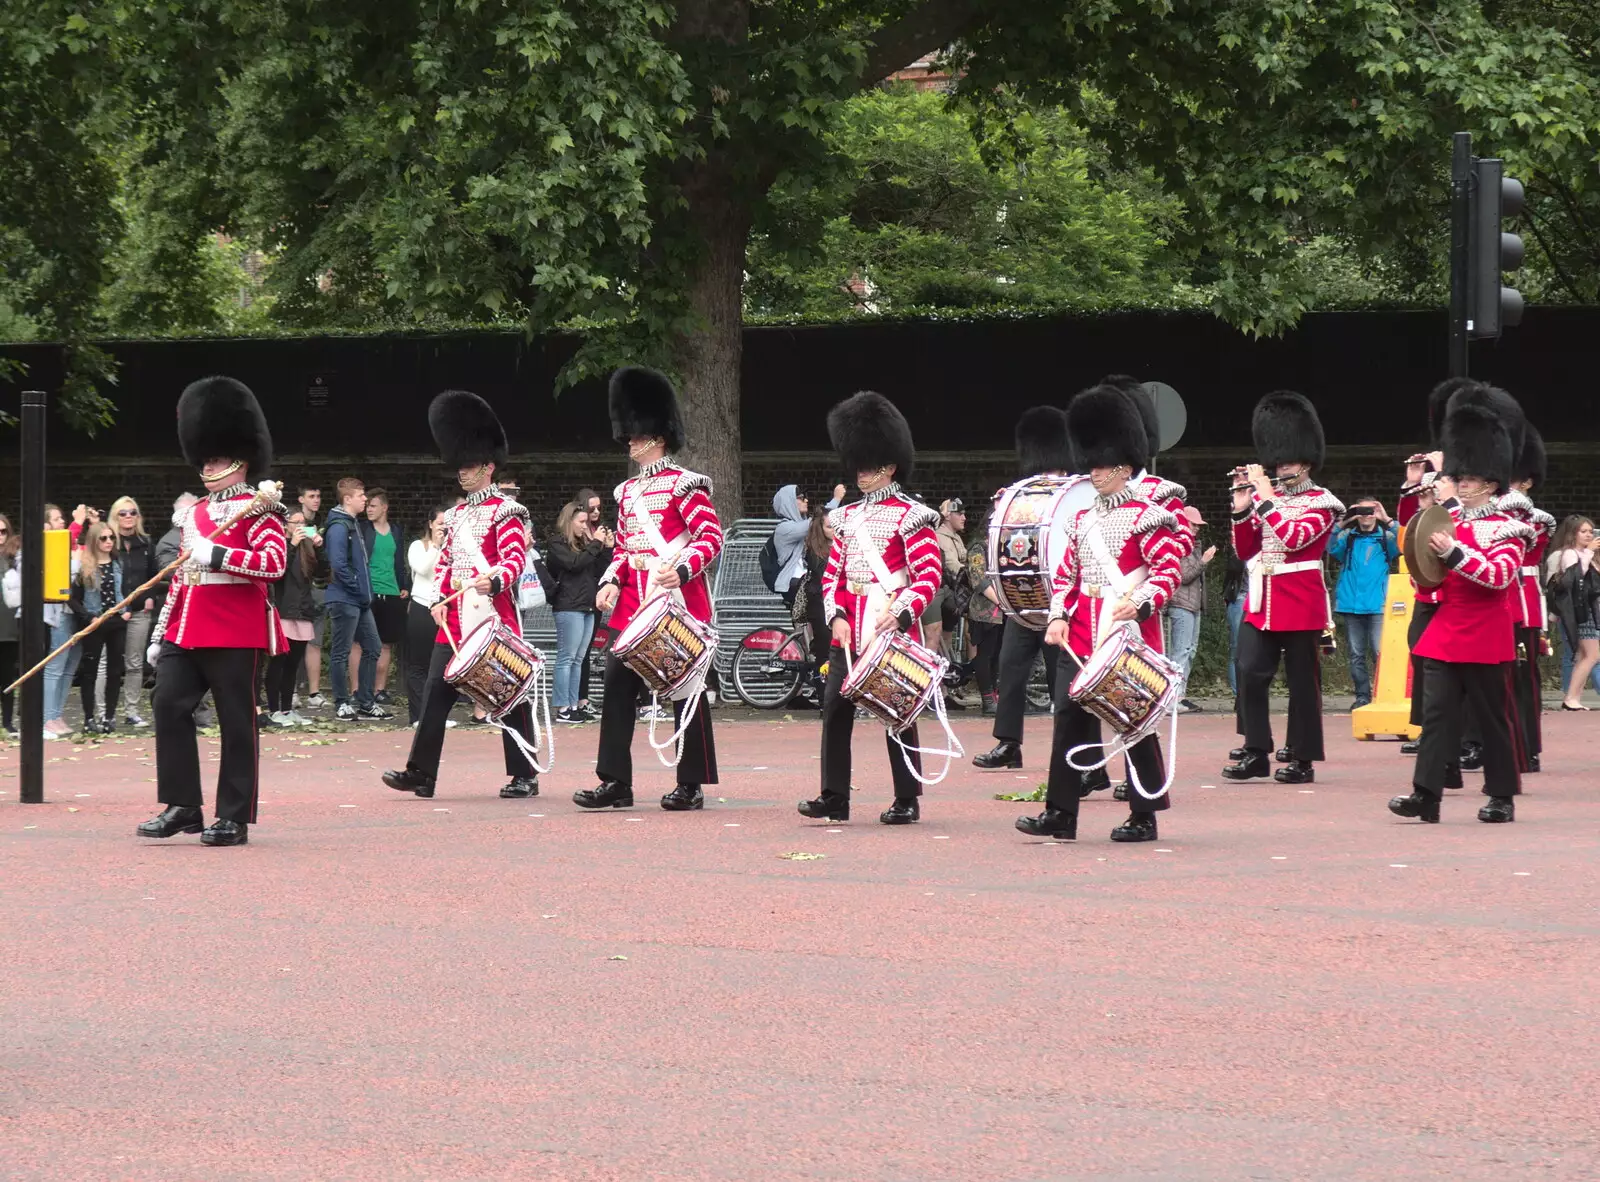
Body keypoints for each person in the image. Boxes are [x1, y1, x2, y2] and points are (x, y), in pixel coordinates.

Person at [1015, 385, 1183, 843]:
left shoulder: (1147, 515)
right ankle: (1060, 811)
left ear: (1123, 467)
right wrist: (1057, 616)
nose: (1093, 472)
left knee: (1132, 716)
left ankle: (1144, 813)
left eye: (1101, 465)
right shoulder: (1080, 518)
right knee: (1067, 713)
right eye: (1090, 463)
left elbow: (1168, 569)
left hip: (1126, 627)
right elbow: (1067, 576)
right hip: (1083, 629)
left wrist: (1142, 601)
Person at [138, 376, 288, 847]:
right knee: (168, 706)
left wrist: (219, 556)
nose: (209, 463)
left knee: (236, 722)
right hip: (187, 626)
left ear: (241, 460)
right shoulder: (196, 513)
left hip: (235, 629)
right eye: (205, 457)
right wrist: (161, 635)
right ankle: (183, 804)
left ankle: (233, 815)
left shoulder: (262, 509)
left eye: (218, 457)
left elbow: (274, 565)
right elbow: (182, 581)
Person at [575, 367, 722, 812]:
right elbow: (624, 548)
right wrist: (610, 581)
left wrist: (681, 569)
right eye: (628, 436)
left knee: (685, 689)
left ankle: (690, 783)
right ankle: (616, 780)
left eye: (636, 436)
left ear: (656, 435)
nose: (630, 442)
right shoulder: (627, 492)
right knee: (616, 683)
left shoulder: (685, 485)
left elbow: (711, 537)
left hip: (677, 600)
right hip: (635, 603)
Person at [382, 390, 541, 800]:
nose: (462, 473)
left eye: (469, 466)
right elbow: (446, 562)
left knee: (505, 694)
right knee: (436, 693)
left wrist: (494, 580)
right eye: (460, 466)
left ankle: (524, 773)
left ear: (488, 467)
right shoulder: (454, 516)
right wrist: (436, 598)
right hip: (453, 619)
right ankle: (421, 772)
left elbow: (514, 560)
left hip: (491, 614)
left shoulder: (509, 511)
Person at [797, 390, 940, 825]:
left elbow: (929, 576)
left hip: (888, 624)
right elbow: (832, 575)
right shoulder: (847, 517)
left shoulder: (912, 516)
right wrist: (835, 615)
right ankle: (834, 795)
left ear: (890, 466)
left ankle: (906, 797)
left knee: (898, 711)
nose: (861, 473)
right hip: (850, 628)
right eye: (858, 464)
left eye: (870, 465)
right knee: (835, 710)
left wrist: (900, 614)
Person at [1390, 384, 1530, 825]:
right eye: (1459, 475)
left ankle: (1501, 796)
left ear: (1490, 482)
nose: (1460, 482)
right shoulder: (1449, 519)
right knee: (1436, 718)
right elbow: (1427, 573)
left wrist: (1454, 554)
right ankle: (1426, 793)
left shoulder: (1509, 527)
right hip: (1447, 628)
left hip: (1487, 632)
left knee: (1492, 720)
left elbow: (1499, 577)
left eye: (1466, 478)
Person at [1224, 392, 1343, 785]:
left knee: (1302, 684)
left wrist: (1266, 498)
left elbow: (1293, 538)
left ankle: (1303, 757)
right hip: (1263, 599)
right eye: (1278, 461)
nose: (1281, 466)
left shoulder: (1323, 504)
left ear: (1306, 463)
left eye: (1288, 461)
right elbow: (1246, 549)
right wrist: (1243, 506)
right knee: (1249, 670)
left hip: (1301, 600)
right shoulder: (1263, 498)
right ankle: (1257, 749)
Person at [973, 406, 1078, 771]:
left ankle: (1075, 751)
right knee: (1011, 669)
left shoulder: (1077, 497)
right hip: (1022, 600)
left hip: (1061, 605)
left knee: (1063, 679)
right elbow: (987, 548)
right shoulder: (1016, 496)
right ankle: (1008, 744)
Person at [1498, 427, 1554, 770]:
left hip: (1523, 602)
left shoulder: (1533, 518)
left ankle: (1528, 746)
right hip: (1497, 600)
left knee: (1523, 679)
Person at [323, 477, 389, 722]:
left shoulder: (351, 523)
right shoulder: (340, 526)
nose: (365, 499)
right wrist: (359, 589)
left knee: (373, 647)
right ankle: (342, 702)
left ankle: (365, 702)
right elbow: (339, 565)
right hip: (345, 598)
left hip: (358, 599)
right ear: (347, 499)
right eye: (361, 496)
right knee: (341, 652)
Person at [1328, 496, 1400, 710]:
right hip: (1351, 604)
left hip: (1378, 604)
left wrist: (1386, 518)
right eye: (1363, 510)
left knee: (1380, 652)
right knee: (1356, 654)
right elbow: (1327, 545)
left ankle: (1383, 695)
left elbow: (1407, 540)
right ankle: (1362, 697)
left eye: (1371, 510)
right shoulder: (1348, 537)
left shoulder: (1386, 538)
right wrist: (1345, 520)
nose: (1367, 515)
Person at [546, 501, 611, 723]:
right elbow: (574, 564)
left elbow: (598, 570)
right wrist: (595, 545)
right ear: (569, 521)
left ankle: (573, 704)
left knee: (578, 658)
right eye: (581, 522)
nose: (585, 526)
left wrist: (607, 548)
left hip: (587, 605)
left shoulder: (587, 544)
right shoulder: (557, 543)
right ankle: (562, 706)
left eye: (586, 522)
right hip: (568, 605)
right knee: (567, 657)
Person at [70, 522, 130, 733]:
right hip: (94, 621)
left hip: (116, 620)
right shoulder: (84, 566)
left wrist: (127, 609)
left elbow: (126, 588)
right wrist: (88, 617)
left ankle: (110, 717)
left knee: (115, 670)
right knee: (90, 670)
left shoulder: (117, 562)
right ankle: (88, 718)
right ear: (94, 541)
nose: (108, 542)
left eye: (111, 538)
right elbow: (73, 598)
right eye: (103, 538)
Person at [105, 496, 158, 726]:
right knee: (106, 662)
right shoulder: (107, 540)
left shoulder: (145, 543)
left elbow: (153, 574)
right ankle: (103, 712)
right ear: (115, 516)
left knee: (135, 662)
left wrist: (149, 597)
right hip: (112, 610)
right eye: (123, 513)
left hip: (138, 609)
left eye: (132, 512)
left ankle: (131, 711)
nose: (128, 517)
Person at [265, 511, 318, 727]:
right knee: (278, 662)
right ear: (286, 526)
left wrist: (319, 546)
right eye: (295, 523)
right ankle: (273, 710)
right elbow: (278, 572)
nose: (299, 526)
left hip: (303, 611)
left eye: (302, 523)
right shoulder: (280, 545)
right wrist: (293, 545)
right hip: (284, 610)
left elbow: (322, 572)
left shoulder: (308, 548)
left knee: (293, 665)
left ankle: (287, 709)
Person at [360, 487, 409, 704]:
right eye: (367, 505)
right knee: (363, 643)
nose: (368, 509)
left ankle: (380, 689)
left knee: (386, 643)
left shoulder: (396, 531)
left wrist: (404, 585)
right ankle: (360, 690)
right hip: (370, 592)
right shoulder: (363, 529)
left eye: (373, 506)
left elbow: (399, 561)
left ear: (384, 507)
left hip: (391, 591)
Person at [1546, 515, 1600, 711]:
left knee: (1582, 655)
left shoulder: (1582, 553)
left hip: (1584, 609)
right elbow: (1574, 580)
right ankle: (1571, 697)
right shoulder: (1570, 554)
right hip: (1579, 611)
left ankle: (1573, 697)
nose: (1588, 535)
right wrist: (1588, 554)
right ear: (1572, 533)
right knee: (1592, 655)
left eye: (1590, 532)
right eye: (1583, 531)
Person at [403, 504, 449, 726]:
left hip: (444, 609)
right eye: (439, 523)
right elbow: (421, 569)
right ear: (430, 524)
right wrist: (436, 547)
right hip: (422, 607)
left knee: (439, 665)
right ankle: (418, 716)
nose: (443, 528)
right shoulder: (418, 546)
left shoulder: (452, 549)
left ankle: (436, 716)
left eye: (447, 524)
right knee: (419, 664)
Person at [1167, 506, 1215, 713]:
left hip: (1192, 605)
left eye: (1198, 524)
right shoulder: (1177, 545)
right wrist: (1204, 561)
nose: (1196, 527)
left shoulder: (1191, 546)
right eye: (1193, 523)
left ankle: (1181, 696)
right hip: (1181, 604)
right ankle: (1171, 698)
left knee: (1189, 651)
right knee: (1181, 651)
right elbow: (1184, 576)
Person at [41, 503, 84, 738]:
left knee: (69, 667)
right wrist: (77, 523)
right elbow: (62, 577)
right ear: (46, 524)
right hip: (57, 614)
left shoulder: (66, 544)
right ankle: (46, 718)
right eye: (57, 519)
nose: (61, 523)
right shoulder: (47, 546)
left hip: (72, 614)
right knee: (55, 667)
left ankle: (56, 714)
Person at [965, 509, 1004, 716]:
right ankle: (987, 698)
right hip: (985, 611)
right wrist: (1001, 601)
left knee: (998, 655)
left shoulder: (999, 548)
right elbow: (978, 580)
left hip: (1003, 611)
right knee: (985, 655)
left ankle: (995, 694)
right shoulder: (978, 548)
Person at [296, 483, 329, 708]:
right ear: (301, 499)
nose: (316, 499)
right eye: (311, 495)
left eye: (318, 495)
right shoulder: (295, 522)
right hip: (297, 591)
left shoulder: (321, 525)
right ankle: (292, 690)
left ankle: (314, 693)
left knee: (314, 641)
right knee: (295, 642)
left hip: (317, 589)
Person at [0, 515, 19, 735]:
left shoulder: (14, 558)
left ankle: (7, 721)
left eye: (3, 532)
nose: (0, 537)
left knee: (8, 677)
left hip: (9, 626)